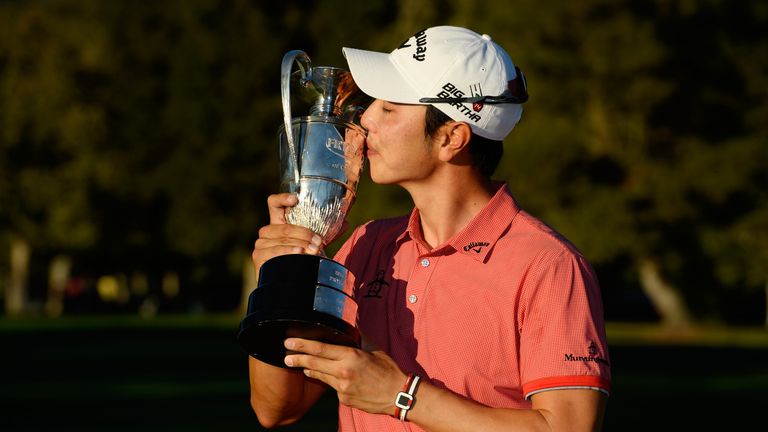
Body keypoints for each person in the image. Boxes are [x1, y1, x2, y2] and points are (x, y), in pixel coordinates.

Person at [249, 26, 611, 431]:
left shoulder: (549, 266)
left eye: (390, 108)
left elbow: (569, 427)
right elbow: (277, 409)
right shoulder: (366, 246)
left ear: (452, 137)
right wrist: (280, 276)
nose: (366, 119)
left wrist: (402, 396)